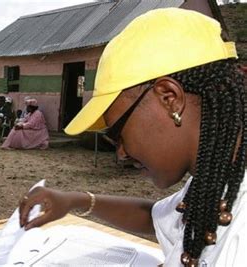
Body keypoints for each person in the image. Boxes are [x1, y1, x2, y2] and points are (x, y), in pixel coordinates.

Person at [19, 8, 245, 267]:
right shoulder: (215, 177)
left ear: (169, 99)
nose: (121, 153)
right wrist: (74, 200)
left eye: (118, 133)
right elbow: (154, 217)